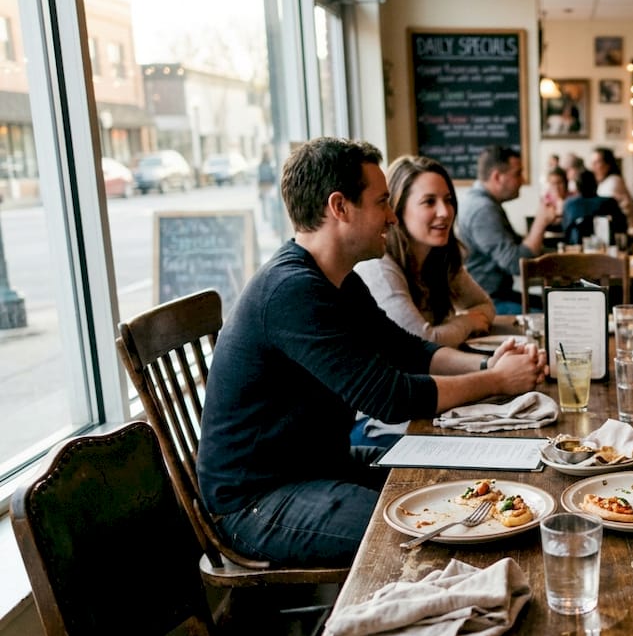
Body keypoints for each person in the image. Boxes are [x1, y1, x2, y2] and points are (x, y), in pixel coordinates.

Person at [197, 137, 546, 567]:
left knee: (466, 487)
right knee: (438, 530)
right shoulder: (293, 291)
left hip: (322, 466)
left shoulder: (339, 280)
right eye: (382, 201)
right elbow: (390, 397)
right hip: (258, 501)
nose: (391, 215)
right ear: (339, 207)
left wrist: (489, 364)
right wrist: (495, 381)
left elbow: (407, 350)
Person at [353, 155, 494, 348]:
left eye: (448, 200)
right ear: (398, 208)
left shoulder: (440, 257)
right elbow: (419, 343)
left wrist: (447, 330)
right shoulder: (380, 265)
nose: (445, 212)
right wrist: (466, 323)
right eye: (429, 202)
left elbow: (485, 306)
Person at [456, 145, 554, 314]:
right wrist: (541, 222)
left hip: (497, 294)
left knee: (556, 303)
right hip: (488, 301)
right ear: (497, 177)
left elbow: (518, 246)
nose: (522, 180)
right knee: (557, 313)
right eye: (517, 173)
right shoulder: (483, 209)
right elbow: (515, 264)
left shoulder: (483, 202)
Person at [560, 170, 627, 246]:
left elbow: (565, 229)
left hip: (576, 252)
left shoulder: (569, 205)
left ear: (577, 186)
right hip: (605, 253)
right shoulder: (609, 202)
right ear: (596, 184)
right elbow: (622, 227)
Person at [589, 146, 633, 228]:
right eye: (592, 163)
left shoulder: (614, 182)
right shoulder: (604, 183)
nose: (592, 167)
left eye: (597, 162)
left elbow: (604, 210)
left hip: (628, 231)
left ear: (608, 165)